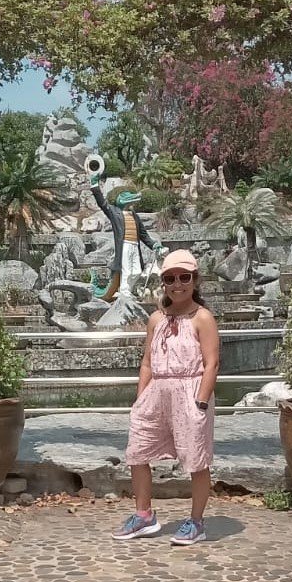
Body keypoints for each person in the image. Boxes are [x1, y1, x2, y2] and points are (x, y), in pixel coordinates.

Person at [112, 249, 220, 545]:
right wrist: (140, 400)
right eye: (170, 278)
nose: (177, 283)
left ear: (195, 280)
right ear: (163, 282)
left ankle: (197, 522)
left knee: (196, 459)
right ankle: (144, 515)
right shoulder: (156, 318)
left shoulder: (203, 317)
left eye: (184, 277)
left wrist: (200, 401)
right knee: (137, 451)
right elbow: (147, 361)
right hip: (156, 391)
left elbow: (212, 363)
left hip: (190, 391)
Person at [89, 174, 164, 298]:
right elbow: (102, 203)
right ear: (120, 200)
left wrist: (154, 245)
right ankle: (124, 292)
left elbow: (143, 235)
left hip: (135, 245)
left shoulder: (134, 215)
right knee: (127, 269)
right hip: (125, 245)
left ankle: (128, 289)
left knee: (137, 271)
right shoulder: (114, 212)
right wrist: (95, 186)